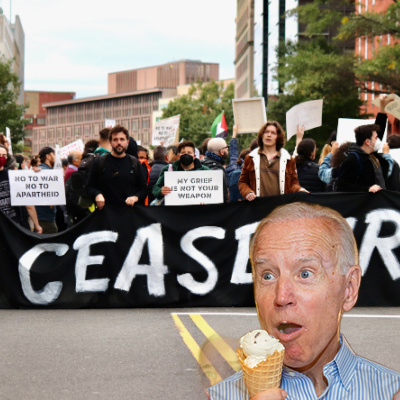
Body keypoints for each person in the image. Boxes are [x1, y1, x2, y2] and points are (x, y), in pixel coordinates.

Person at [207, 202, 400, 400]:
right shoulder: (220, 396)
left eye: (305, 273)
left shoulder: (391, 390)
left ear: (349, 288)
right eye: (267, 276)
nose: (281, 297)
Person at [239, 121, 306, 200]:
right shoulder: (250, 158)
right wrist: (247, 192)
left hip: (280, 208)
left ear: (278, 137)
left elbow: (293, 184)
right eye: (266, 132)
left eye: (273, 133)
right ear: (262, 135)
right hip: (258, 207)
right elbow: (242, 182)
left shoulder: (288, 159)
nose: (269, 135)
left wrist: (299, 189)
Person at [86, 125, 147, 210]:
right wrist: (97, 194)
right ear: (110, 142)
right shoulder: (99, 162)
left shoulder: (135, 163)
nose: (119, 142)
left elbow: (143, 189)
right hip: (106, 216)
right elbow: (89, 186)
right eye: (115, 139)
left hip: (129, 215)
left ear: (127, 142)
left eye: (122, 139)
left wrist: (136, 197)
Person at [0, 144, 42, 233]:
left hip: (12, 225)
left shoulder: (14, 175)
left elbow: (28, 203)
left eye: (4, 155)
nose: (2, 158)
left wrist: (35, 174)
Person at [35, 147, 58, 233]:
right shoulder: (47, 173)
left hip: (41, 215)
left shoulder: (41, 170)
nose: (56, 157)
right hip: (46, 217)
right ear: (48, 156)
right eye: (54, 155)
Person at [201, 138, 230, 202]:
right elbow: (221, 195)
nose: (227, 150)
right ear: (221, 152)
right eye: (226, 148)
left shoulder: (202, 163)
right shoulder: (217, 169)